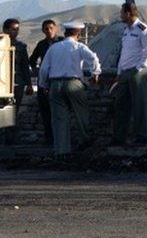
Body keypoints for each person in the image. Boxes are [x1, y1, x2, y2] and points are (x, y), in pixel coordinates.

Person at [38, 21, 100, 155]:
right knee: (81, 114)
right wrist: (95, 74)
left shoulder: (53, 48)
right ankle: (85, 141)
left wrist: (44, 85)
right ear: (78, 33)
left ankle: (61, 151)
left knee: (59, 119)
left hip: (55, 84)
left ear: (65, 32)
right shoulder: (79, 47)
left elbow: (43, 69)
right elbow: (93, 59)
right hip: (73, 83)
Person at [112, 2, 147, 146]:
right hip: (124, 72)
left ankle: (141, 136)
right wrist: (119, 72)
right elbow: (124, 53)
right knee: (121, 104)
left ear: (128, 13)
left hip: (137, 72)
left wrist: (139, 68)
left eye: (122, 12)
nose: (121, 15)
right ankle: (119, 137)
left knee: (138, 105)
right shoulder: (126, 30)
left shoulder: (142, 29)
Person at [29, 19, 63, 145]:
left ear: (56, 28)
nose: (49, 31)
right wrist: (37, 70)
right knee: (45, 109)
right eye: (46, 29)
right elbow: (32, 59)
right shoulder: (41, 45)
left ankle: (60, 137)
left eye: (51, 28)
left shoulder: (62, 42)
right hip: (44, 80)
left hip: (58, 78)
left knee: (59, 110)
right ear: (43, 31)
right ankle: (49, 137)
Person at [2, 18, 31, 144]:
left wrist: (29, 84)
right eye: (13, 29)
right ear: (5, 30)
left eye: (17, 30)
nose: (15, 32)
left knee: (13, 109)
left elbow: (25, 66)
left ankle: (10, 138)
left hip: (17, 81)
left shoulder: (20, 47)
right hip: (2, 82)